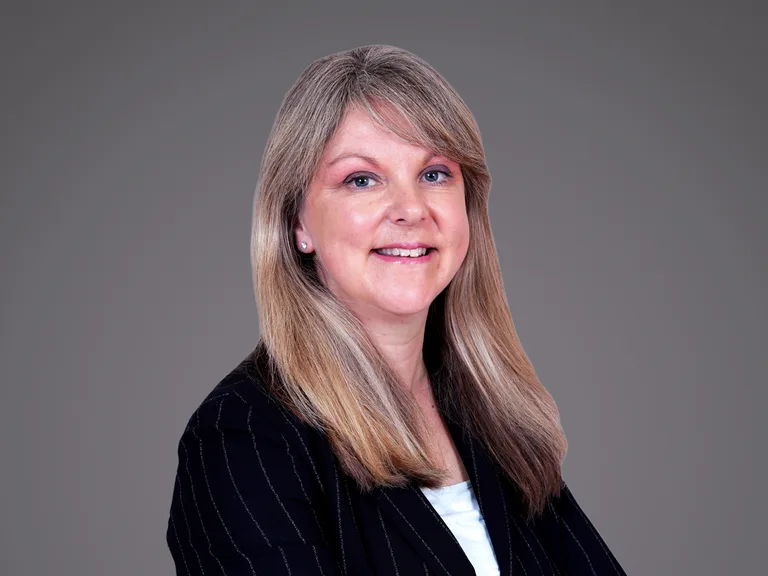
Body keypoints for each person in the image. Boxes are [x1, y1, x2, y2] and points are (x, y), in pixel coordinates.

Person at [165, 44, 627, 575]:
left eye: (433, 174)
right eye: (362, 179)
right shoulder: (242, 439)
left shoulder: (492, 422)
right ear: (299, 224)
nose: (411, 210)